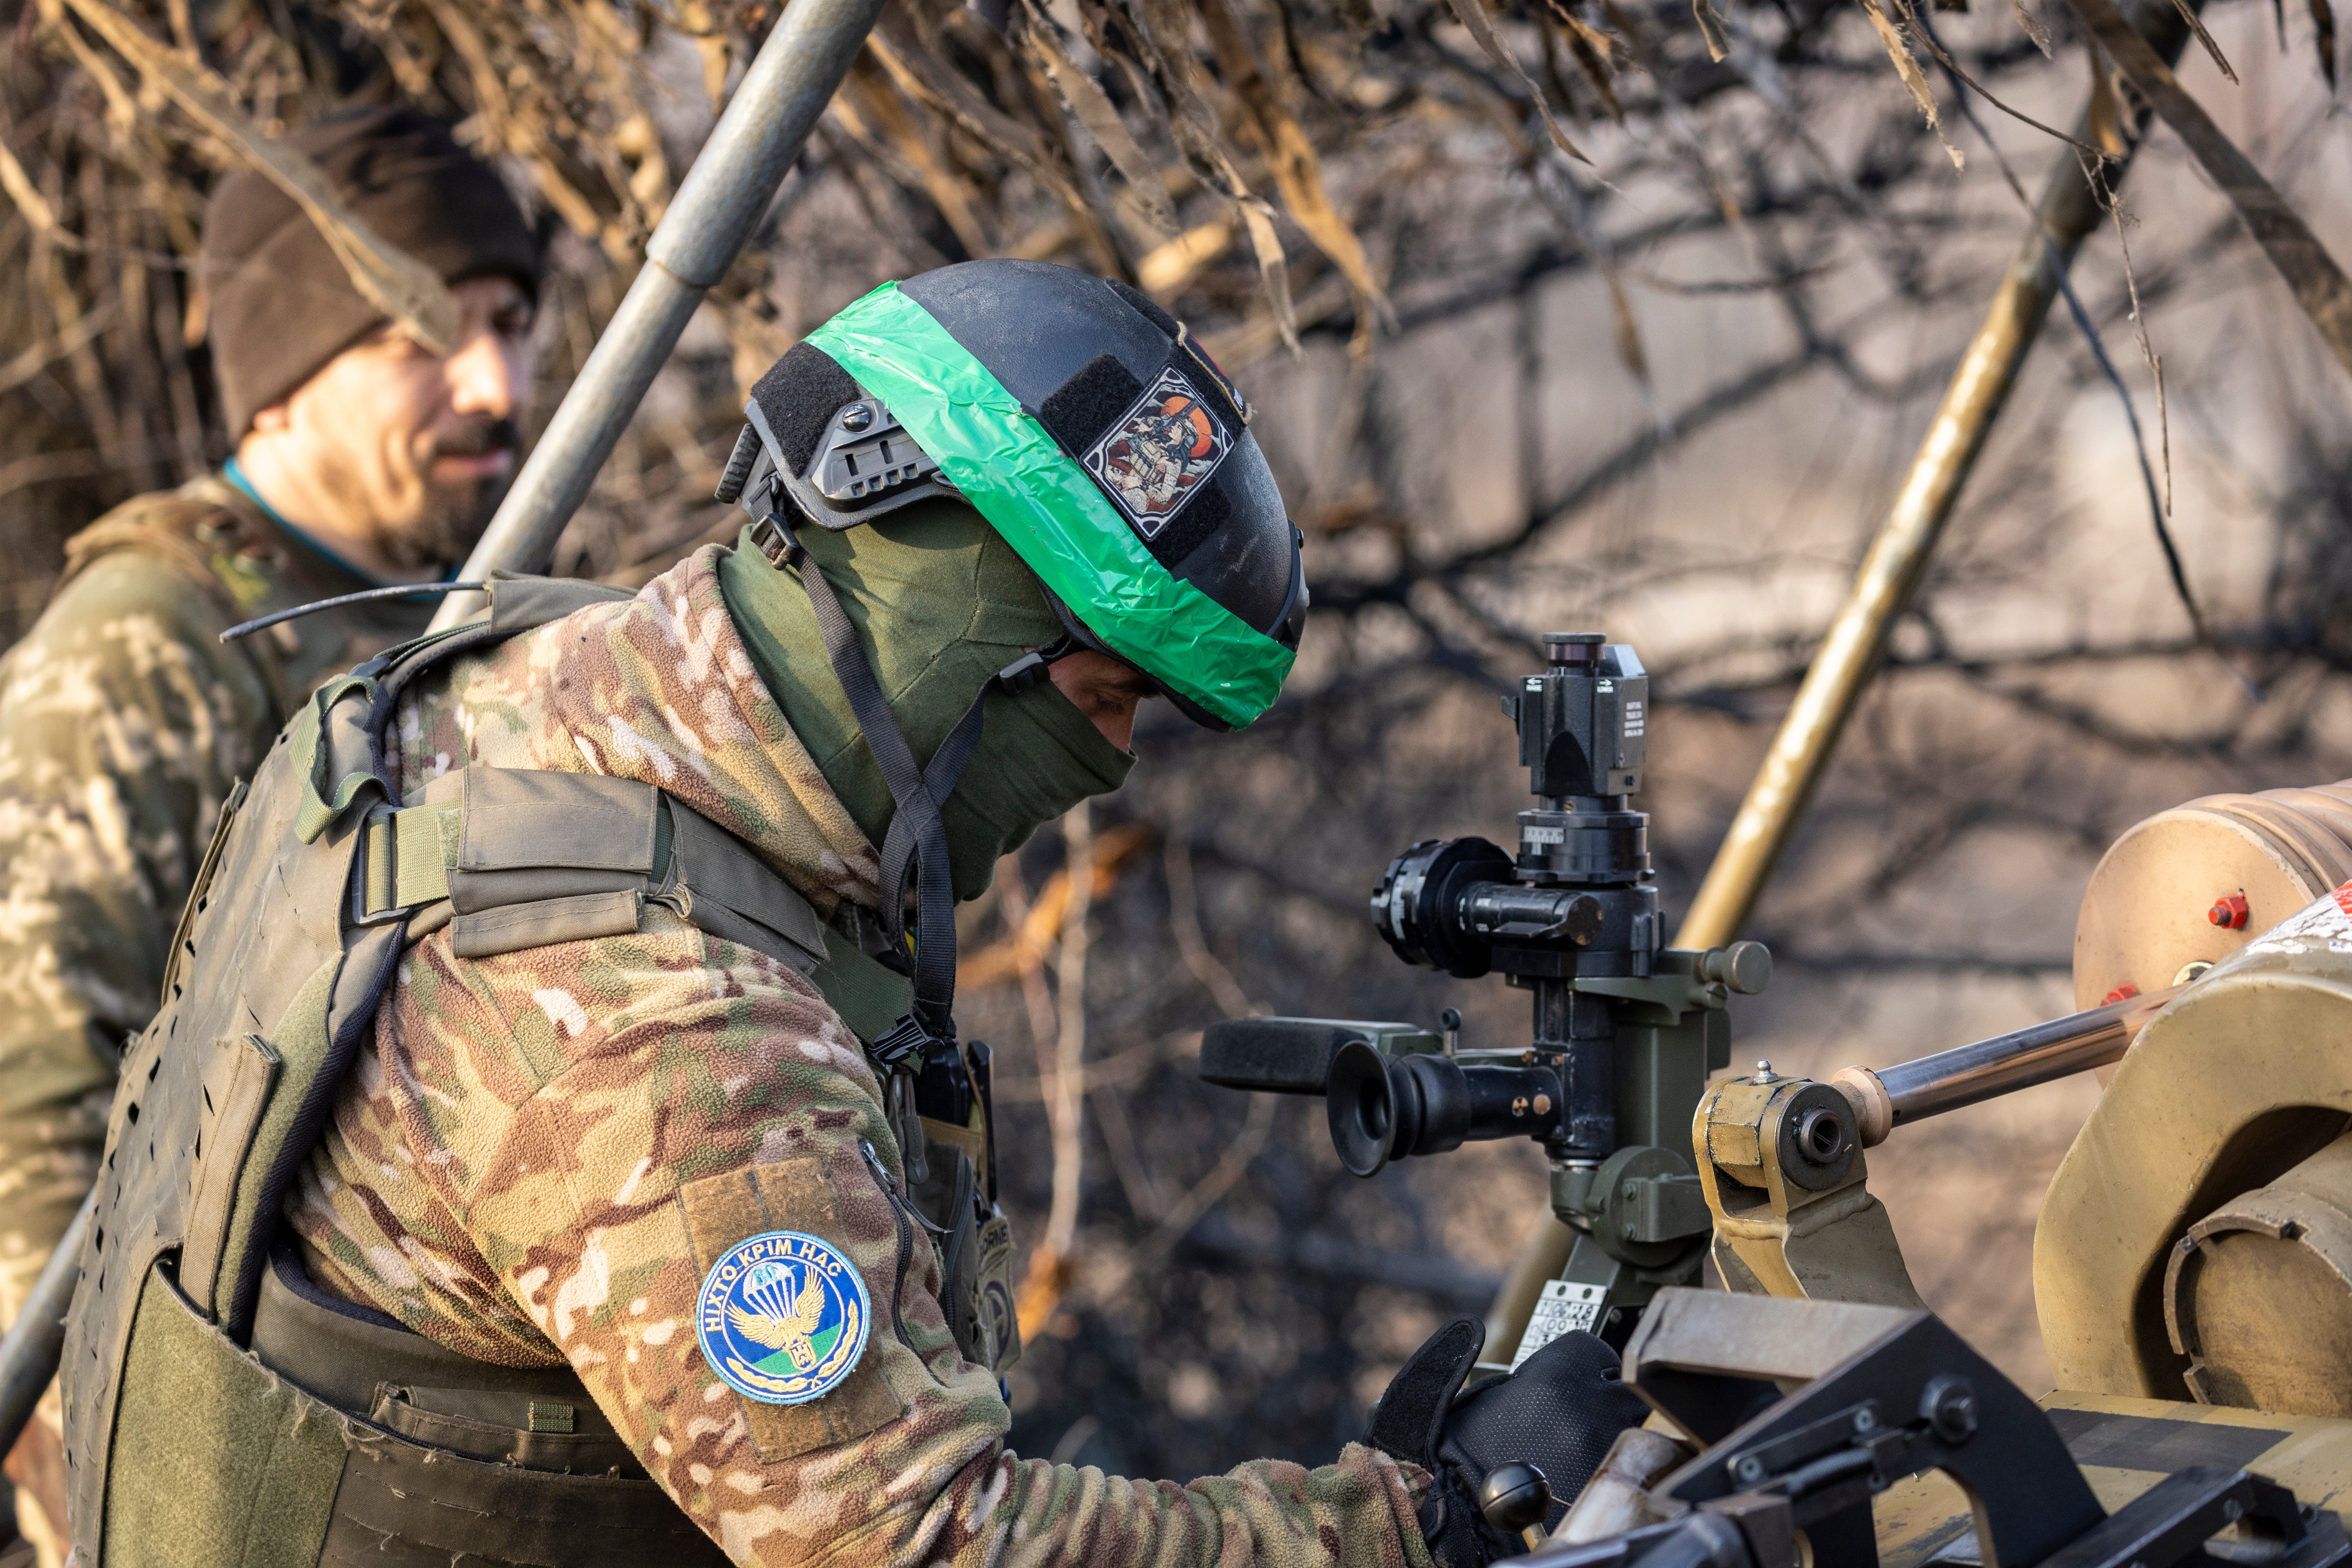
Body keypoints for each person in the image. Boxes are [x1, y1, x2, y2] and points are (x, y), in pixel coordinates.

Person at [57, 260, 1644, 1568]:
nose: (1103, 768)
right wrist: (1409, 1528)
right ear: (962, 636)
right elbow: (923, 1546)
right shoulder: (661, 1031)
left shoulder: (488, 689)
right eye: (1101, 697)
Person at [0, 104, 537, 1559]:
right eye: (425, 337)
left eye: (511, 324)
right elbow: (26, 1092)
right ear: (283, 385)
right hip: (195, 1438)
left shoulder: (456, 627)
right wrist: (92, 1474)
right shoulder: (153, 644)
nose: (495, 383)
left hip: (399, 1416)